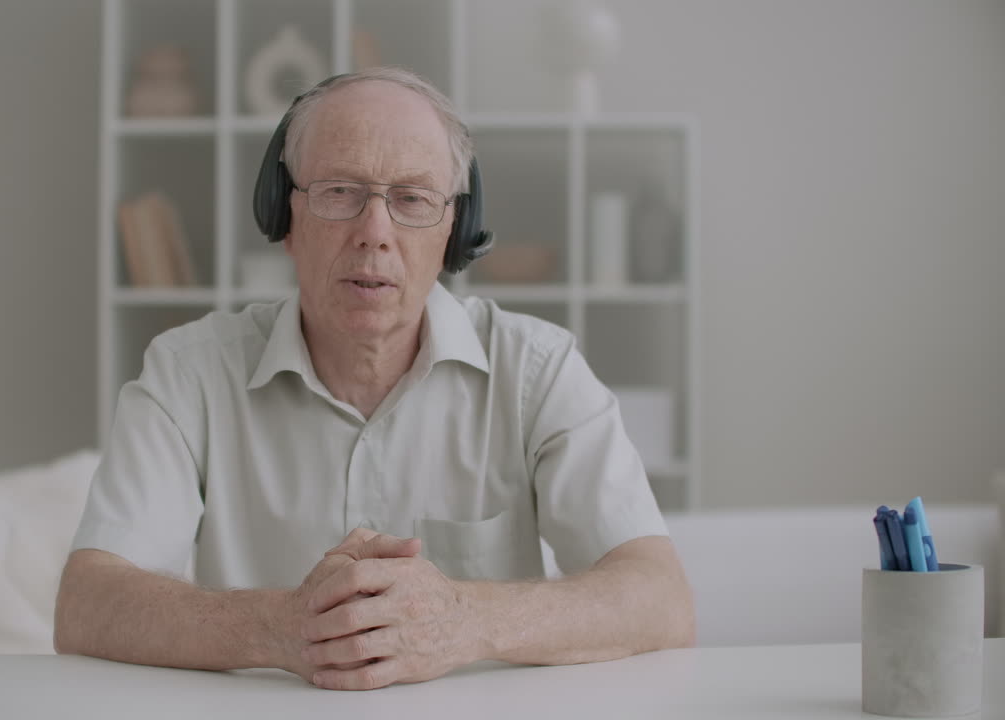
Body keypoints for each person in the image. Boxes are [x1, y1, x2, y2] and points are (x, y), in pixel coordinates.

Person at [54, 67, 694, 691]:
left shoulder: (540, 369)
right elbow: (88, 603)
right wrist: (278, 628)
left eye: (413, 199)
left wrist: (465, 620)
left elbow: (660, 599)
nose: (375, 234)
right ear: (285, 218)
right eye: (339, 192)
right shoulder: (187, 373)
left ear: (453, 230)